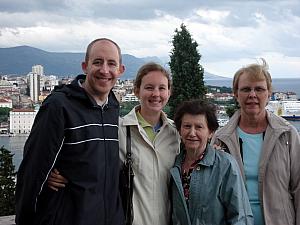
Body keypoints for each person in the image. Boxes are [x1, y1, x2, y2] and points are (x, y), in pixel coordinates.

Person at [48, 62, 181, 225]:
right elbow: (83, 155)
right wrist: (50, 172)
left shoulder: (177, 134)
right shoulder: (115, 129)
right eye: (149, 87)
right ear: (137, 91)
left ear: (169, 92)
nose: (156, 94)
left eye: (162, 88)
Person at [15, 38, 125, 225]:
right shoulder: (58, 106)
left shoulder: (113, 108)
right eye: (97, 62)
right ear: (85, 66)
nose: (104, 70)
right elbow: (33, 171)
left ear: (120, 70)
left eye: (111, 63)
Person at [211, 59, 300, 225]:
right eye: (246, 89)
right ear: (236, 94)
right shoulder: (221, 138)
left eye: (259, 89)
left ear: (268, 93)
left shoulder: (287, 135)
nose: (252, 95)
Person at [170, 99, 253, 225]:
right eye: (187, 126)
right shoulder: (174, 165)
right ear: (180, 130)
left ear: (210, 132)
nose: (192, 133)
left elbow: (240, 217)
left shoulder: (225, 165)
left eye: (199, 127)